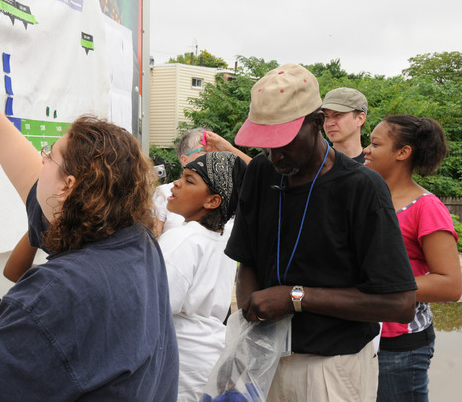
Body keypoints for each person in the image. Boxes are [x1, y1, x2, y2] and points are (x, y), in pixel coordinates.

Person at [0, 68, 179, 401]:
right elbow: (30, 178)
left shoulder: (53, 295)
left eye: (49, 154)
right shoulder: (137, 242)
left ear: (68, 187)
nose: (41, 157)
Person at [225, 63, 417, 402]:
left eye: (282, 141)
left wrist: (294, 298)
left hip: (331, 369)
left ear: (316, 124)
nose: (274, 154)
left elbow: (399, 304)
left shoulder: (361, 187)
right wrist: (251, 329)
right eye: (264, 143)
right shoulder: (259, 172)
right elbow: (248, 261)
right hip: (264, 360)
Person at [363, 114, 462, 402]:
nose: (366, 150)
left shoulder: (426, 207)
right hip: (358, 334)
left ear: (403, 153)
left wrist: (379, 288)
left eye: (375, 144)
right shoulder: (365, 197)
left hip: (401, 346)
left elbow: (450, 285)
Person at [158, 151, 247, 401]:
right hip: (210, 361)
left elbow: (155, 307)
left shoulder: (181, 239)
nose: (176, 183)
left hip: (180, 367)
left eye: (189, 180)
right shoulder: (225, 240)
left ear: (212, 201)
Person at [153, 128, 251, 236]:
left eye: (216, 152)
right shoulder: (164, 192)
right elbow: (153, 237)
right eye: (204, 151)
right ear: (185, 160)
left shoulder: (230, 191)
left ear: (214, 201)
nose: (212, 158)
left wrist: (228, 148)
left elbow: (262, 176)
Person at [322, 87, 368, 162]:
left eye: (338, 115)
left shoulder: (377, 166)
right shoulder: (314, 165)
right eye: (326, 116)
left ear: (360, 119)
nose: (329, 123)